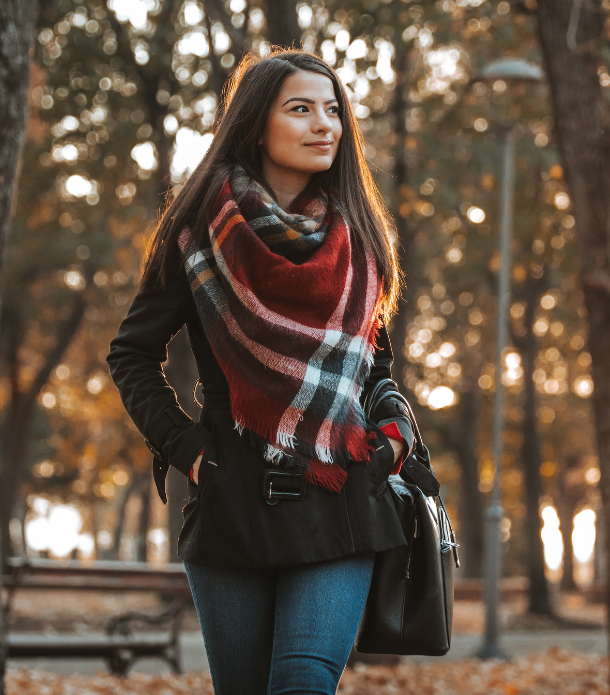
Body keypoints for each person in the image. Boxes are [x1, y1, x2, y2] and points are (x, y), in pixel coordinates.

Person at [107, 49, 416, 695]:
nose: (324, 124)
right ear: (254, 124)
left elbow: (374, 361)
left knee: (302, 683)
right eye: (301, 109)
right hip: (233, 502)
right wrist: (189, 452)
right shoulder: (197, 232)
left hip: (340, 497)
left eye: (333, 110)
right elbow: (132, 353)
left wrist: (392, 433)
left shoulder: (358, 242)